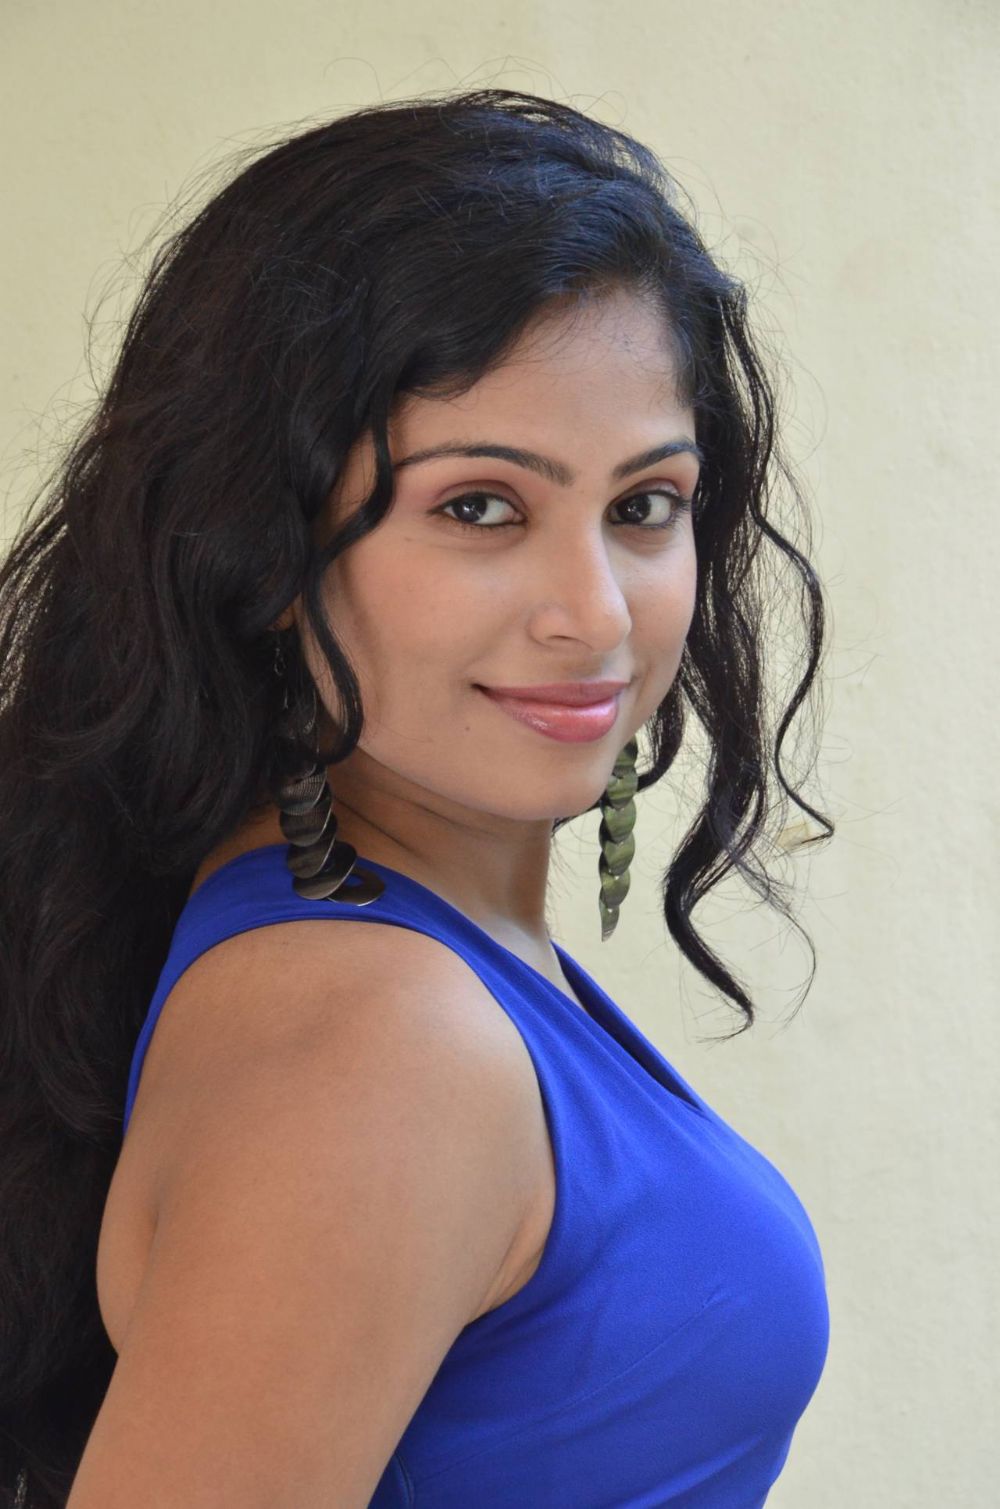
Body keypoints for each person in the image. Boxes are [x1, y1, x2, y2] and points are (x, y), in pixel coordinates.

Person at [0, 89, 833, 1507]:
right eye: (479, 507)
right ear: (264, 545)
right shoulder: (383, 1040)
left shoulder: (398, 945)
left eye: (642, 505)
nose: (595, 614)